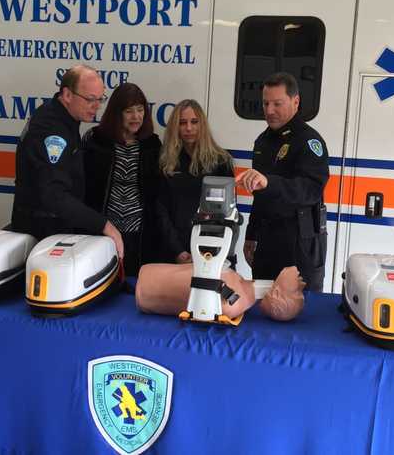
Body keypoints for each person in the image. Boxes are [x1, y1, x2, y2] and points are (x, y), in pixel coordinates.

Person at [11, 65, 124, 259]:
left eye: (100, 99)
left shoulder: (63, 118)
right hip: (42, 234)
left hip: (53, 228)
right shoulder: (52, 129)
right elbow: (54, 195)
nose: (96, 106)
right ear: (67, 94)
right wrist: (104, 225)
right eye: (90, 99)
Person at [236, 72, 329, 291]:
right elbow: (260, 197)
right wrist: (251, 234)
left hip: (299, 243)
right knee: (263, 305)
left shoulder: (309, 141)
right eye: (265, 103)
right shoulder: (263, 141)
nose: (269, 111)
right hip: (267, 242)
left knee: (300, 311)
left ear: (295, 102)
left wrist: (270, 182)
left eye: (277, 103)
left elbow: (311, 190)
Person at [83, 82, 161, 278]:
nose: (136, 117)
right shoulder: (95, 140)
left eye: (140, 110)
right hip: (104, 230)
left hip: (140, 233)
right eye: (129, 111)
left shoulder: (152, 144)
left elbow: (157, 194)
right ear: (117, 113)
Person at [157, 99, 234, 264]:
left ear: (202, 125)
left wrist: (212, 251)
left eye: (194, 122)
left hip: (211, 249)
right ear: (175, 127)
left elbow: (227, 214)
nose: (189, 128)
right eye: (182, 123)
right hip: (175, 249)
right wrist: (177, 251)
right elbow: (161, 210)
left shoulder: (221, 161)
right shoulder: (166, 162)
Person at [135, 263, 305, 322]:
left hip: (147, 289)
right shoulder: (238, 291)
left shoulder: (233, 302)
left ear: (274, 293)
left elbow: (190, 284)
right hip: (149, 283)